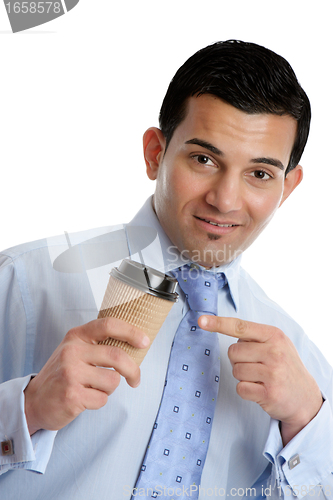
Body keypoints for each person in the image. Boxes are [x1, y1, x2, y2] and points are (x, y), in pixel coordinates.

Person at [0, 40, 332, 499]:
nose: (226, 200)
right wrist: (26, 410)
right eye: (204, 159)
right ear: (156, 152)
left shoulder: (298, 363)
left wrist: (306, 424)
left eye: (259, 174)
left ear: (287, 186)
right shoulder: (25, 283)